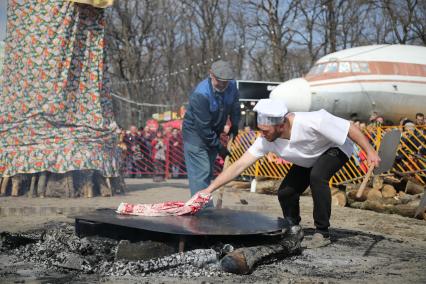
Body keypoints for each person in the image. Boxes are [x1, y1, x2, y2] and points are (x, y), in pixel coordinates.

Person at [197, 99, 380, 248]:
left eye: (266, 131)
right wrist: (209, 189)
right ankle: (293, 228)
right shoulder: (265, 140)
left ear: (281, 125)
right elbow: (239, 165)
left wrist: (370, 152)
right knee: (286, 192)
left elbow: (349, 128)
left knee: (318, 177)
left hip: (335, 149)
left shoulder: (313, 120)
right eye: (260, 130)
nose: (262, 135)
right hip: (309, 158)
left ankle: (322, 233)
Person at [182, 60, 240, 197]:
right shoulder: (201, 94)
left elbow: (235, 106)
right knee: (201, 171)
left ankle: (203, 204)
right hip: (195, 135)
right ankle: (203, 209)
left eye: (226, 81)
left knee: (208, 171)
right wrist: (219, 146)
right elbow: (203, 127)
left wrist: (235, 124)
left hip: (213, 132)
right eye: (220, 80)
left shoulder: (232, 86)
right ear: (211, 74)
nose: (223, 84)